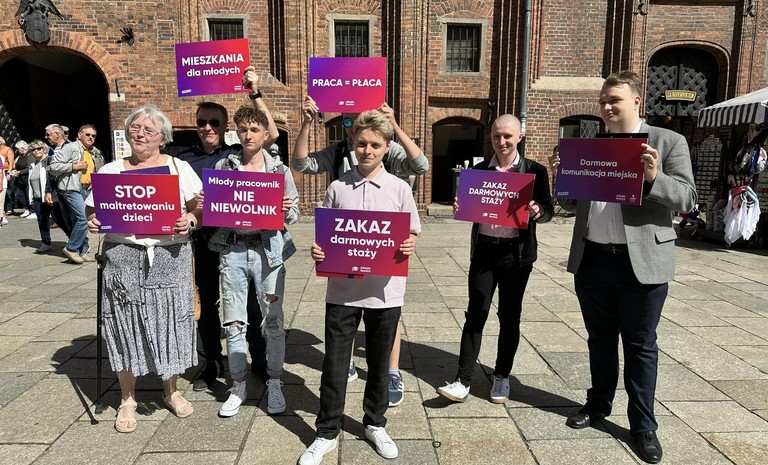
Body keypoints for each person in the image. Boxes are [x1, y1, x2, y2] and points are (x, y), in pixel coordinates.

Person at [549, 71, 696, 464]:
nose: (607, 107)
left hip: (641, 262)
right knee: (599, 339)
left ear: (636, 101)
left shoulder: (667, 141)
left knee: (640, 345)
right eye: (603, 101)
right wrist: (562, 177)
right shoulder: (590, 146)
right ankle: (598, 404)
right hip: (594, 259)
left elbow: (687, 198)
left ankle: (643, 426)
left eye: (614, 99)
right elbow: (570, 205)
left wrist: (654, 177)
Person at [299, 111, 421, 465]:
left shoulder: (400, 188)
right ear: (352, 143)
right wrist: (319, 250)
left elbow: (413, 230)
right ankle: (326, 432)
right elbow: (326, 235)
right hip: (342, 293)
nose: (367, 150)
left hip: (385, 292)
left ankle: (375, 423)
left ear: (386, 148)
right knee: (335, 365)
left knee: (380, 365)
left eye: (375, 145)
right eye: (362, 143)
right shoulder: (337, 188)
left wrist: (411, 242)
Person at [85, 104, 203, 433]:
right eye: (135, 128)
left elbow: (199, 209)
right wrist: (94, 221)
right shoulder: (111, 170)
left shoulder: (179, 168)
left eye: (148, 130)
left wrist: (190, 220)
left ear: (163, 138)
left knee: (171, 322)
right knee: (125, 323)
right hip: (123, 254)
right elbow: (93, 211)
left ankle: (170, 390)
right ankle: (127, 397)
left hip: (170, 255)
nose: (140, 134)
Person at [436, 114, 554, 404]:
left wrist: (538, 211)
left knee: (510, 317)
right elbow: (470, 207)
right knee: (476, 313)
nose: (502, 142)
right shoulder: (478, 171)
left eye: (508, 136)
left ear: (519, 137)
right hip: (485, 251)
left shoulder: (534, 171)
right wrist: (461, 205)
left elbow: (548, 211)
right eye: (497, 136)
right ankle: (463, 380)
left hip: (516, 254)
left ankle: (502, 376)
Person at [175, 66, 278, 391]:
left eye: (214, 122)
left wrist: (254, 92)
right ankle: (212, 361)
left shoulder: (236, 154)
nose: (207, 127)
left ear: (224, 127)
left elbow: (272, 134)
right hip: (203, 239)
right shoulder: (183, 160)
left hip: (237, 240)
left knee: (250, 303)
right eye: (202, 122)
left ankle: (257, 358)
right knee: (207, 303)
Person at [207, 105, 298, 418]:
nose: (248, 135)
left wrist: (285, 209)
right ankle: (238, 384)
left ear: (265, 134)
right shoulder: (225, 165)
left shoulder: (278, 171)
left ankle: (275, 381)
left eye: (254, 130)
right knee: (233, 321)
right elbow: (214, 209)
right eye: (243, 129)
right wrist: (209, 203)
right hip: (232, 249)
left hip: (268, 251)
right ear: (237, 132)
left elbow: (294, 213)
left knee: (272, 321)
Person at [50, 124, 104, 263]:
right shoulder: (70, 147)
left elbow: (98, 169)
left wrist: (95, 180)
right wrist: (73, 166)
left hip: (87, 189)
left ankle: (82, 250)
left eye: (93, 136)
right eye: (87, 135)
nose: (91, 138)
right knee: (83, 218)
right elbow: (53, 166)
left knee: (78, 221)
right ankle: (71, 248)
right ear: (79, 135)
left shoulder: (94, 151)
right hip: (72, 188)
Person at [26, 139, 54, 252]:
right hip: (38, 198)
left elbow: (52, 178)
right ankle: (46, 242)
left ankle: (75, 241)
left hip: (50, 196)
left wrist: (50, 192)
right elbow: (31, 183)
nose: (36, 151)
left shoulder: (50, 160)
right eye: (33, 149)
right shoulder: (33, 165)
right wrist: (31, 198)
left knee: (60, 220)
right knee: (42, 220)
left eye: (38, 148)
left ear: (44, 149)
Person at [44, 124, 71, 236]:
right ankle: (73, 239)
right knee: (57, 217)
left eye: (48, 134)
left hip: (69, 187)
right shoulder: (50, 150)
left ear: (57, 134)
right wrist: (48, 191)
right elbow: (50, 171)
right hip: (55, 187)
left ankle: (78, 243)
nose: (46, 137)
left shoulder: (71, 147)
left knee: (72, 217)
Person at [12, 140, 35, 219]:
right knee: (20, 195)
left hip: (28, 179)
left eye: (18, 148)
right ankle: (27, 209)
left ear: (22, 148)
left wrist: (20, 172)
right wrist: (15, 170)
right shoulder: (20, 156)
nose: (17, 150)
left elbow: (30, 168)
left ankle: (33, 211)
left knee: (29, 195)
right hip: (21, 180)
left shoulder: (30, 156)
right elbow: (17, 165)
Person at [0, 136, 14, 219]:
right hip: (2, 171)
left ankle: (9, 208)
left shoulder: (8, 150)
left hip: (6, 172)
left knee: (8, 192)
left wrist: (9, 173)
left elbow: (11, 162)